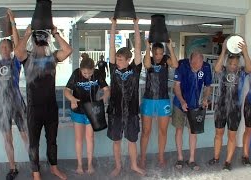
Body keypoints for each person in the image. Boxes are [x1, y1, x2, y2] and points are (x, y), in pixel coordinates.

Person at [14, 25, 72, 180]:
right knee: (34, 143)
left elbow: (68, 51)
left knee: (52, 140)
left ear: (47, 43)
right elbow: (17, 52)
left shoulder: (51, 58)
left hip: (51, 107)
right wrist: (26, 34)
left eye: (44, 43)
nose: (41, 46)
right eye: (39, 43)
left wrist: (55, 33)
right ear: (33, 43)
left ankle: (54, 168)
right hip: (34, 109)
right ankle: (36, 173)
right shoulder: (27, 58)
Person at [0, 10, 28, 180]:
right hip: (2, 105)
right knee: (7, 138)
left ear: (10, 49)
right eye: (1, 47)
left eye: (6, 46)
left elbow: (19, 46)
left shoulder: (16, 62)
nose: (4, 49)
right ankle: (13, 168)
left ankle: (34, 164)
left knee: (25, 135)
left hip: (16, 103)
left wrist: (13, 23)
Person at [106, 17, 145, 177]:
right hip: (115, 111)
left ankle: (134, 165)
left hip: (132, 112)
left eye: (121, 60)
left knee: (132, 141)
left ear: (128, 60)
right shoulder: (114, 68)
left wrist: (136, 24)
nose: (118, 62)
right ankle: (118, 166)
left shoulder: (135, 69)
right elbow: (112, 45)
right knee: (116, 141)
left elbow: (137, 47)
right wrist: (113, 24)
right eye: (117, 59)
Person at [209, 40, 251, 171]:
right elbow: (216, 68)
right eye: (231, 63)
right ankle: (216, 158)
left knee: (232, 136)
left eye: (235, 64)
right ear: (227, 63)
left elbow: (250, 68)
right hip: (221, 108)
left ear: (238, 65)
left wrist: (244, 52)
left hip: (235, 110)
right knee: (218, 134)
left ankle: (227, 161)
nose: (233, 66)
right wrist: (223, 50)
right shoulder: (222, 70)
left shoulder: (242, 72)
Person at [64, 57, 109, 175]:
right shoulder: (76, 74)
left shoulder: (98, 73)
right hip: (78, 110)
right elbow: (66, 91)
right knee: (79, 139)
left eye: (90, 73)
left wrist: (104, 97)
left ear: (94, 69)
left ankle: (89, 164)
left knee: (90, 138)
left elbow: (106, 89)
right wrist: (72, 99)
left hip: (92, 110)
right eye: (85, 73)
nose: (87, 75)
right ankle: (79, 165)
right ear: (80, 70)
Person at [139, 40, 178, 168]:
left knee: (163, 131)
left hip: (163, 100)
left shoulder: (166, 60)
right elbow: (146, 65)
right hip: (149, 99)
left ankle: (161, 156)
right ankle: (143, 157)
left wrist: (170, 48)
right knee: (146, 131)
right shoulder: (148, 59)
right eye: (156, 53)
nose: (158, 56)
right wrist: (147, 47)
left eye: (161, 53)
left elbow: (176, 64)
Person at [172, 51, 212, 170]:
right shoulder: (181, 65)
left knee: (193, 131)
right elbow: (176, 86)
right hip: (179, 103)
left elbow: (208, 86)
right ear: (190, 61)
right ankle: (180, 157)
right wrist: (182, 101)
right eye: (195, 66)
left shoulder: (206, 67)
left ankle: (192, 159)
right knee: (179, 129)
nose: (197, 68)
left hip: (194, 104)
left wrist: (205, 98)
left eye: (199, 66)